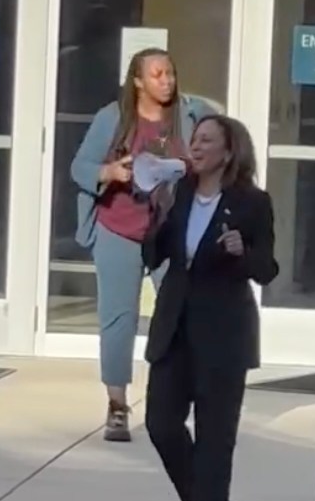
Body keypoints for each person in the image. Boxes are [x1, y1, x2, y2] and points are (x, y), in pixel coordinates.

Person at [143, 115, 279, 501]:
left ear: (228, 151)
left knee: (214, 444)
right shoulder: (178, 192)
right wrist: (156, 214)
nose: (196, 146)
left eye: (207, 140)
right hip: (174, 328)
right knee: (160, 424)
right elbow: (154, 256)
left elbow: (267, 269)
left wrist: (244, 249)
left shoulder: (252, 203)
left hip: (224, 336)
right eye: (194, 138)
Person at [71, 48, 213, 442]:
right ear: (137, 81)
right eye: (156, 74)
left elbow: (217, 153)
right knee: (119, 318)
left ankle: (176, 402)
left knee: (180, 317)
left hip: (171, 231)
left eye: (169, 72)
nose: (166, 80)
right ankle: (117, 406)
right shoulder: (112, 118)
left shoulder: (192, 113)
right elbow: (79, 167)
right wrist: (110, 171)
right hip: (119, 227)